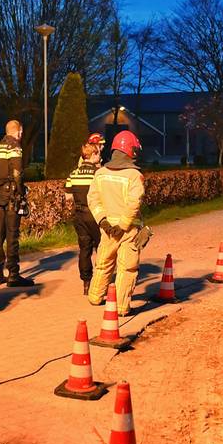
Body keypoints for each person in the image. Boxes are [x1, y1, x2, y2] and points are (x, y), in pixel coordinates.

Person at [87, 131, 146, 316]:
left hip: (107, 229)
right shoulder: (134, 175)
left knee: (103, 263)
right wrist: (122, 225)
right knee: (127, 268)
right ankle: (121, 307)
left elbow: (93, 199)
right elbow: (134, 203)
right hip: (127, 230)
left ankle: (95, 296)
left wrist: (103, 221)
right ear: (130, 150)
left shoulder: (100, 173)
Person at [0, 119, 34, 287]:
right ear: (19, 132)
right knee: (12, 235)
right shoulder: (15, 146)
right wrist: (21, 193)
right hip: (12, 195)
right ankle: (13, 273)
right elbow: (17, 173)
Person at [65, 135, 104, 295]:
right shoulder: (98, 173)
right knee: (101, 248)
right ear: (93, 155)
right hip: (95, 215)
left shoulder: (73, 174)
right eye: (98, 153)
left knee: (84, 249)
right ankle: (102, 282)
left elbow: (68, 197)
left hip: (79, 215)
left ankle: (86, 283)